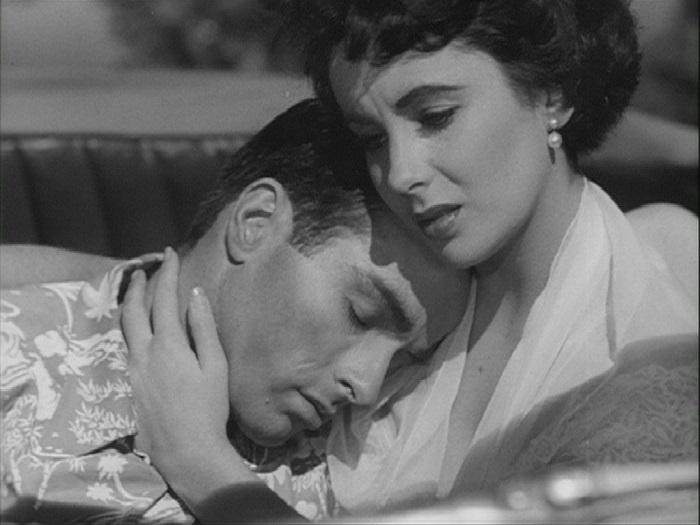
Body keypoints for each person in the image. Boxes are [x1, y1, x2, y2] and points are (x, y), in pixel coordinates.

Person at [252, 0, 698, 514]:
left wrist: (207, 472)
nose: (400, 173)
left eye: (435, 117)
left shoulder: (661, 285)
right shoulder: (392, 306)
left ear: (553, 93)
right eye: (373, 139)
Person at [0, 99, 470, 523]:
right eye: (359, 313)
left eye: (404, 359)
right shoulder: (18, 364)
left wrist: (206, 468)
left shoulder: (373, 451)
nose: (367, 386)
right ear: (255, 223)